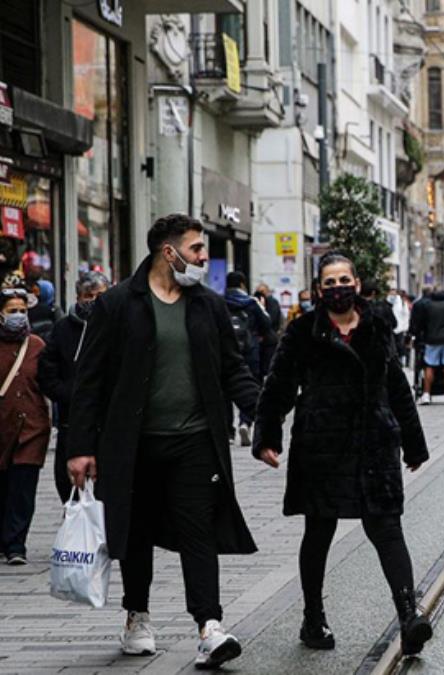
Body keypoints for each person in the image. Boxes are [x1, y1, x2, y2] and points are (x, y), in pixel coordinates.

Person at [66, 213, 260, 668]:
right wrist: (79, 446)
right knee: (136, 534)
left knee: (199, 532)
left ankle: (209, 627)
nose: (203, 258)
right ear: (167, 252)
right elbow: (89, 381)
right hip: (132, 444)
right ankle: (137, 617)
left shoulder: (207, 306)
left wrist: (261, 414)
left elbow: (233, 368)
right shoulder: (117, 305)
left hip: (194, 441)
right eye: (196, 250)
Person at [253, 252, 432, 655]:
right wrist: (267, 437)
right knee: (319, 532)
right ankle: (313, 618)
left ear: (357, 282)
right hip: (322, 446)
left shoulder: (377, 326)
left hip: (373, 445)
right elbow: (278, 386)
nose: (338, 289)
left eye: (343, 280)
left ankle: (409, 616)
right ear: (319, 290)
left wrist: (413, 441)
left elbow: (397, 386)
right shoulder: (303, 332)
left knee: (386, 528)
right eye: (329, 283)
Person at [37, 271, 110, 503]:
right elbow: (47, 374)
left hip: (109, 424)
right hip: (72, 422)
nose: (95, 300)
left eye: (101, 295)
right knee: (70, 488)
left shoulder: (118, 326)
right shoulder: (62, 329)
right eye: (89, 295)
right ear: (78, 297)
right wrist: (72, 395)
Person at [0, 286, 50, 565]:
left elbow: (50, 381)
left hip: (31, 429)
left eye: (22, 311)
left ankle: (16, 544)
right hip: (2, 428)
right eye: (12, 311)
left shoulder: (37, 346)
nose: (18, 316)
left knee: (23, 489)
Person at [225, 271, 275, 447]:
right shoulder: (251, 302)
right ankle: (245, 422)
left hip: (226, 351)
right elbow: (267, 324)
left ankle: (228, 432)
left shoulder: (218, 301)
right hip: (250, 350)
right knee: (250, 384)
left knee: (225, 389)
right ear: (242, 284)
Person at [409, 286, 444, 405]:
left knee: (429, 366)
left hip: (432, 339)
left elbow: (421, 323)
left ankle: (426, 394)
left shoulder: (427, 305)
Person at [390, 289, 412, 368]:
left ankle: (400, 361)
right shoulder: (402, 303)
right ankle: (402, 361)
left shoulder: (401, 303)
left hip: (398, 327)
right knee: (402, 345)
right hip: (401, 328)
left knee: (398, 345)